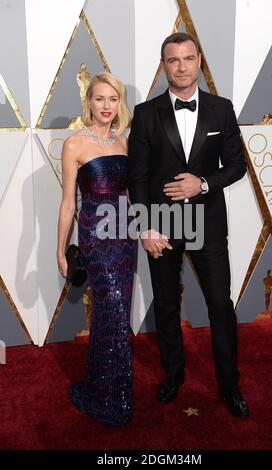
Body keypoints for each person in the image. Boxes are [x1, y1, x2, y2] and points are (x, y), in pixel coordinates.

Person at [128, 33, 249, 418]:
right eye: (173, 60)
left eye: (188, 58)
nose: (181, 66)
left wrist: (205, 183)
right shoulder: (146, 113)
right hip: (161, 222)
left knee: (220, 306)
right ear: (164, 65)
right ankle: (173, 376)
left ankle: (229, 385)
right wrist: (146, 226)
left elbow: (236, 164)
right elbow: (138, 177)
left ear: (199, 61)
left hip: (208, 222)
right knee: (165, 305)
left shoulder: (221, 109)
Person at [57, 71, 137, 427]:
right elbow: (67, 203)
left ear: (120, 103)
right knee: (115, 314)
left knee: (114, 314)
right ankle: (109, 395)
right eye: (100, 99)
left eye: (113, 99)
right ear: (88, 101)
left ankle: (102, 384)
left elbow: (132, 195)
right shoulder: (75, 144)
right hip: (94, 236)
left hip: (125, 236)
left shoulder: (124, 142)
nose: (106, 106)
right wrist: (61, 251)